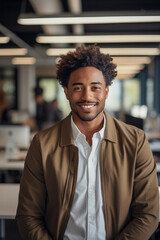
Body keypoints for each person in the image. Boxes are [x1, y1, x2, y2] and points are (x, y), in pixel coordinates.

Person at [16, 45, 159, 240]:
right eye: (77, 88)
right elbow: (28, 215)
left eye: (95, 87)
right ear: (66, 92)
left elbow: (148, 214)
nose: (87, 96)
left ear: (106, 92)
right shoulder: (42, 144)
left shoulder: (136, 141)